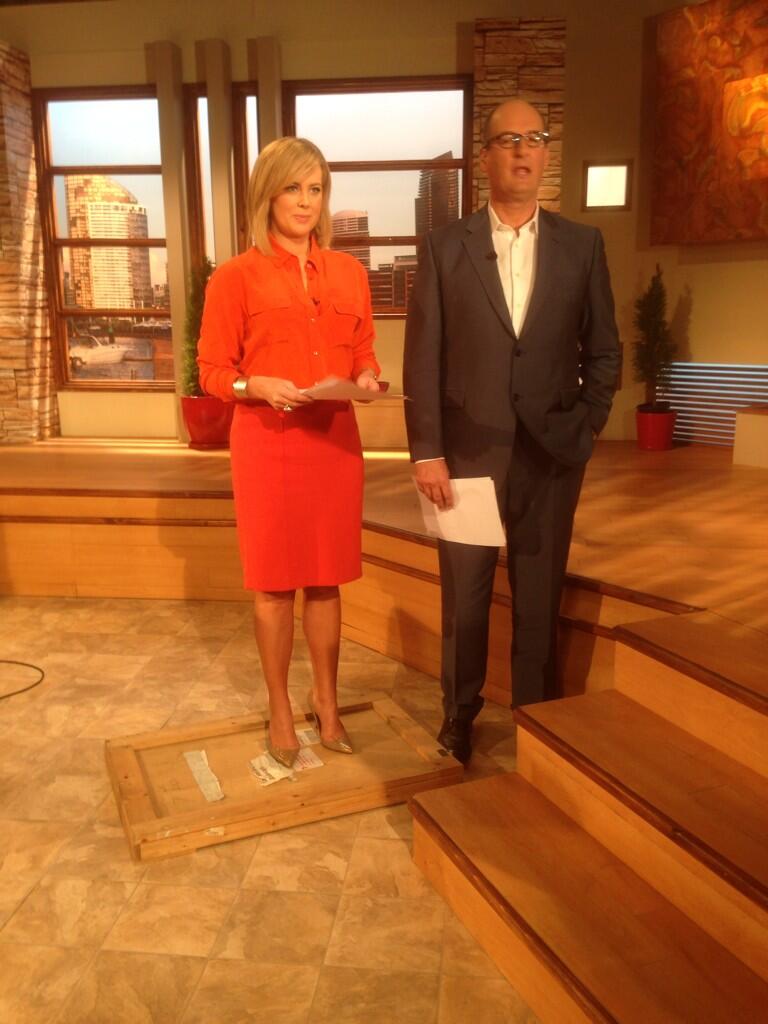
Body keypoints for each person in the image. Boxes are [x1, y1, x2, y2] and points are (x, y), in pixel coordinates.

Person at [404, 99, 620, 764]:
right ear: (486, 156)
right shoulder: (445, 248)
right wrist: (427, 452)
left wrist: (586, 427)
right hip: (466, 457)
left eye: (534, 138)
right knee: (465, 599)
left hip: (552, 456)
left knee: (539, 597)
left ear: (545, 152)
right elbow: (423, 358)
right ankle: (459, 714)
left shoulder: (582, 246)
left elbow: (604, 351)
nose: (523, 150)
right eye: (508, 139)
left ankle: (537, 723)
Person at [197, 137, 380, 768]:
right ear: (267, 196)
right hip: (268, 445)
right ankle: (279, 706)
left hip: (333, 442)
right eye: (293, 188)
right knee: (275, 586)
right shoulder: (235, 276)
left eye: (315, 189)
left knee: (326, 581)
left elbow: (363, 353)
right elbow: (211, 371)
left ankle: (326, 701)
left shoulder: (349, 273)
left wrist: (368, 378)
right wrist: (254, 386)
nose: (305, 202)